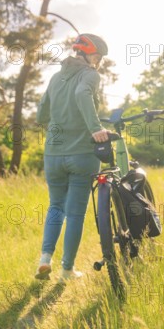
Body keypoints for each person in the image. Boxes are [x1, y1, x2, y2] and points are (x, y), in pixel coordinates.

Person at [35, 33, 110, 283]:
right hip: (82, 154)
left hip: (53, 155)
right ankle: (67, 270)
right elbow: (81, 94)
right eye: (97, 56)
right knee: (75, 213)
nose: (97, 62)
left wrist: (59, 122)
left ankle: (45, 259)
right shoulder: (89, 75)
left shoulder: (55, 78)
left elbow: (41, 113)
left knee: (56, 206)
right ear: (87, 54)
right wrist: (94, 128)